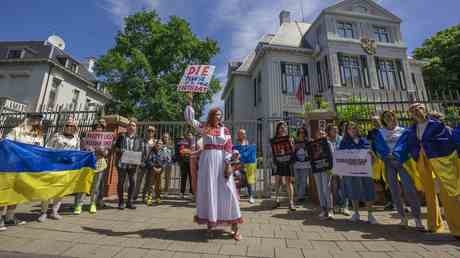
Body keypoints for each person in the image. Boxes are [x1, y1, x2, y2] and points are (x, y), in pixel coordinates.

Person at [184, 94, 242, 241]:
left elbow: (229, 148)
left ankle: (235, 227)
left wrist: (228, 164)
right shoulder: (205, 127)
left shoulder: (225, 131)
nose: (219, 117)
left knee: (227, 191)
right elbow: (191, 121)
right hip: (207, 163)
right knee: (210, 191)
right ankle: (210, 225)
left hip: (222, 162)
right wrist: (190, 103)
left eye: (220, 115)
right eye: (217, 115)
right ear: (211, 116)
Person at [404, 103, 460, 237]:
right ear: (411, 115)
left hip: (439, 159)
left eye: (419, 108)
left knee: (448, 193)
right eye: (413, 110)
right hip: (422, 161)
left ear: (425, 110)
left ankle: (457, 228)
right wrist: (416, 154)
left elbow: (449, 141)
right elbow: (410, 144)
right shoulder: (411, 129)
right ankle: (434, 225)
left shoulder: (437, 125)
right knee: (428, 193)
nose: (416, 111)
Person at [371, 111, 424, 230]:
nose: (389, 118)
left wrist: (398, 155)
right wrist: (386, 156)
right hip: (388, 163)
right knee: (394, 191)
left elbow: (408, 145)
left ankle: (417, 219)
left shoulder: (404, 131)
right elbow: (378, 147)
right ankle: (403, 218)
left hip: (403, 163)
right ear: (383, 120)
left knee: (409, 189)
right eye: (386, 117)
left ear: (395, 117)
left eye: (391, 116)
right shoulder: (380, 132)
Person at [1, 113, 44, 230]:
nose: (36, 121)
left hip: (25, 168)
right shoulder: (17, 130)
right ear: (28, 119)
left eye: (38, 119)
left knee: (16, 192)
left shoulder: (39, 134)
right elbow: (7, 144)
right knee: (5, 191)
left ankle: (9, 218)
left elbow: (39, 150)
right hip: (11, 167)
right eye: (34, 118)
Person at [39, 117, 80, 222]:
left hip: (66, 168)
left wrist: (72, 159)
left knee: (60, 190)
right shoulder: (57, 136)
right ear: (64, 126)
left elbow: (77, 152)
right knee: (48, 189)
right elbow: (48, 148)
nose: (69, 127)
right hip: (54, 166)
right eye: (67, 125)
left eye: (71, 125)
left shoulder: (76, 139)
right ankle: (43, 212)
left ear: (75, 127)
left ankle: (54, 211)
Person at [340, 122, 378, 224]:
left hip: (365, 171)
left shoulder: (364, 140)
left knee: (368, 189)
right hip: (351, 172)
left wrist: (372, 156)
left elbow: (373, 158)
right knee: (353, 191)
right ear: (347, 131)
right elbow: (341, 158)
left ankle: (370, 214)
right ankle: (356, 213)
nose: (352, 130)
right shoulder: (344, 142)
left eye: (354, 128)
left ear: (357, 129)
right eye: (349, 129)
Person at [74, 120, 109, 215]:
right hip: (87, 165)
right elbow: (81, 150)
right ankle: (78, 204)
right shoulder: (86, 138)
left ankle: (92, 203)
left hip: (100, 165)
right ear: (93, 129)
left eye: (100, 128)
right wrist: (88, 149)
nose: (98, 129)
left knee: (96, 186)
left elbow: (106, 153)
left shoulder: (105, 140)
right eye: (96, 127)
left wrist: (101, 150)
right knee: (84, 185)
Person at [114, 118, 143, 210]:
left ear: (136, 128)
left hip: (133, 164)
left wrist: (138, 159)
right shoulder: (121, 136)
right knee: (121, 183)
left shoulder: (139, 139)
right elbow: (115, 148)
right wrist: (121, 151)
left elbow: (140, 151)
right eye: (130, 125)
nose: (131, 127)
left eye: (133, 125)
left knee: (133, 182)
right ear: (127, 127)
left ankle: (130, 202)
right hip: (122, 163)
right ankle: (121, 202)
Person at [272, 121, 296, 211]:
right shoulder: (275, 139)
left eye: (284, 127)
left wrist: (292, 143)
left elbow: (293, 151)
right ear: (278, 129)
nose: (283, 129)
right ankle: (276, 200)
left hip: (288, 162)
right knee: (277, 181)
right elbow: (274, 152)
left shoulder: (290, 138)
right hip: (278, 162)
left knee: (288, 182)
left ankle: (291, 202)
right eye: (281, 127)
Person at [327, 124, 350, 216]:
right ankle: (336, 205)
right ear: (329, 131)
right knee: (334, 186)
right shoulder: (326, 141)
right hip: (332, 167)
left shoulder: (341, 139)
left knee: (343, 186)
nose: (336, 131)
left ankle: (345, 206)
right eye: (333, 129)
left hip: (342, 166)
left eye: (336, 129)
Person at [313, 130, 334, 220]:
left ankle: (330, 209)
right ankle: (323, 209)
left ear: (325, 135)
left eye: (322, 133)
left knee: (326, 189)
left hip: (326, 169)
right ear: (316, 136)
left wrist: (331, 168)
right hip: (317, 169)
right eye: (319, 133)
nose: (321, 135)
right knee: (320, 189)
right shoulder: (313, 145)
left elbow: (332, 156)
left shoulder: (328, 143)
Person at [233, 129, 257, 204]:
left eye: (242, 133)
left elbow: (247, 154)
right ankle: (237, 196)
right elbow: (234, 155)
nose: (241, 135)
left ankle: (251, 196)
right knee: (238, 178)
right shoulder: (236, 146)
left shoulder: (250, 145)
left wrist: (240, 155)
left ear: (245, 135)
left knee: (249, 181)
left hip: (249, 165)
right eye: (239, 134)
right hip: (239, 165)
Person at [139, 126, 159, 205]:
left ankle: (147, 197)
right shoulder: (142, 141)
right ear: (146, 132)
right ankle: (136, 196)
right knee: (139, 180)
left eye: (152, 131)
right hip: (143, 163)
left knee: (150, 182)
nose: (150, 132)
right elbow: (139, 151)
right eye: (149, 130)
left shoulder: (156, 141)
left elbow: (158, 152)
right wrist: (140, 161)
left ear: (154, 132)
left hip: (151, 164)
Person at [293, 126, 310, 204]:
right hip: (296, 162)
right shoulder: (295, 141)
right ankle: (297, 195)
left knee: (303, 180)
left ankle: (300, 197)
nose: (301, 134)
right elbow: (292, 150)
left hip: (305, 163)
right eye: (300, 132)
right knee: (296, 180)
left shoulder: (307, 141)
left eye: (303, 132)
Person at [177, 130, 194, 198]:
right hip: (184, 162)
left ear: (192, 136)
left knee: (191, 178)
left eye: (190, 135)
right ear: (186, 136)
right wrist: (190, 151)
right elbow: (181, 151)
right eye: (188, 135)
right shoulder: (183, 142)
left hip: (192, 162)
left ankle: (192, 192)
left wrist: (187, 151)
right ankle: (182, 192)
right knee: (183, 178)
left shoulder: (194, 143)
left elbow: (195, 151)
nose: (189, 136)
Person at [161, 133, 174, 197]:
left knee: (167, 178)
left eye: (167, 137)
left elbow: (173, 154)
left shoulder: (171, 145)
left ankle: (166, 191)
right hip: (161, 163)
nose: (165, 138)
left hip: (169, 163)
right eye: (164, 137)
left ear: (169, 138)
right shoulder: (160, 144)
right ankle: (158, 190)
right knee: (159, 177)